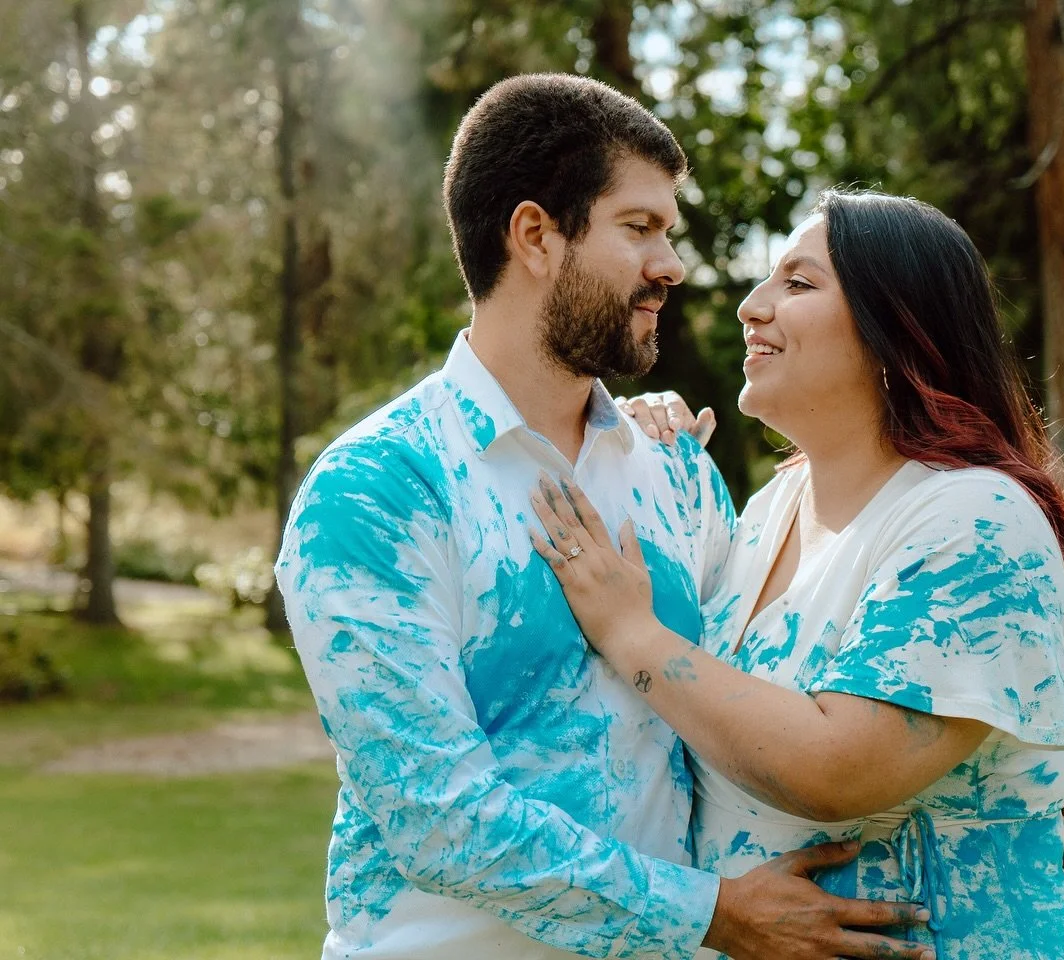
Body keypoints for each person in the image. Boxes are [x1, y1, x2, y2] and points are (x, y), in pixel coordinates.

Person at [275, 76, 933, 960]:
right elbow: (434, 816)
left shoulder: (676, 473)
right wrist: (711, 914)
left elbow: (762, 696)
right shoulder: (376, 489)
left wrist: (987, 801)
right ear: (537, 236)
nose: (673, 266)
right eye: (640, 229)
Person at [529, 189, 1064, 958]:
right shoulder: (772, 510)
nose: (751, 306)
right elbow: (707, 725)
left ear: (898, 329)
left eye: (798, 283)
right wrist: (641, 443)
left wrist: (630, 633)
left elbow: (836, 768)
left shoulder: (976, 520)